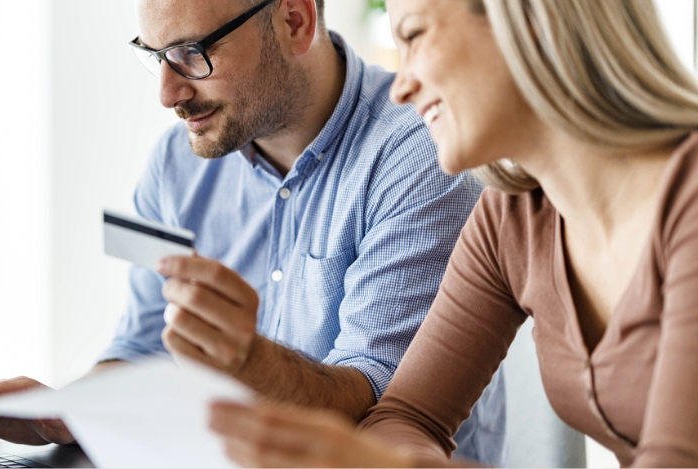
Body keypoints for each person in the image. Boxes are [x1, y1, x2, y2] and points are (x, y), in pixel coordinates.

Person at [0, 0, 506, 464]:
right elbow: (141, 348)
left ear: (294, 21)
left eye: (193, 53)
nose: (168, 94)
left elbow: (382, 406)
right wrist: (64, 414)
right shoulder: (176, 162)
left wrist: (252, 366)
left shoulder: (423, 151)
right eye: (155, 57)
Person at [207, 0, 698, 466]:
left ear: (525, 22)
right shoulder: (512, 218)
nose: (400, 88)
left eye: (416, 36)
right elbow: (405, 415)